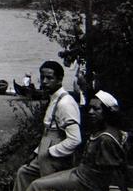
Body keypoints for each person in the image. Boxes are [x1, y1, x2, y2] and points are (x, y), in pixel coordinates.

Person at [26, 90, 127, 191]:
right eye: (90, 108)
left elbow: (112, 172)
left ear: (106, 112)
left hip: (87, 181)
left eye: (96, 109)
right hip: (80, 173)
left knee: (37, 185)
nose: (90, 112)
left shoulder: (106, 138)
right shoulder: (100, 130)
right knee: (41, 181)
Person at [14, 60, 82, 191]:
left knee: (44, 186)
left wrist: (50, 152)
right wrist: (36, 152)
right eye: (42, 77)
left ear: (59, 80)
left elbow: (75, 139)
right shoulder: (54, 98)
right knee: (24, 173)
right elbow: (48, 132)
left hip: (56, 157)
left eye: (49, 78)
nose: (44, 81)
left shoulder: (65, 103)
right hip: (45, 150)